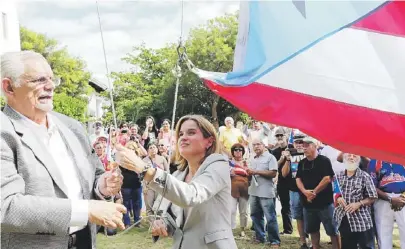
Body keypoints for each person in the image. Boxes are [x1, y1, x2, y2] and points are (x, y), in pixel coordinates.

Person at [1, 51, 126, 249]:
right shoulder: (4, 131)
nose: (50, 86)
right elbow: (6, 207)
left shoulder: (72, 126)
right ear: (9, 87)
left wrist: (102, 186)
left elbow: (96, 174)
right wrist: (86, 210)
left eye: (52, 79)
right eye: (39, 80)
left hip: (85, 241)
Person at [115, 114, 237, 249]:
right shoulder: (178, 175)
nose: (183, 137)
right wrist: (163, 224)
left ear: (209, 141)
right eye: (180, 134)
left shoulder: (219, 165)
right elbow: (177, 217)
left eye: (191, 132)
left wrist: (145, 170)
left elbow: (191, 196)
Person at [296, 136, 340, 249]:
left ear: (315, 146)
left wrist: (314, 192)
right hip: (308, 203)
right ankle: (315, 247)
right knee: (312, 230)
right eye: (303, 146)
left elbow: (327, 178)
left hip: (325, 203)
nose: (304, 148)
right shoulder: (302, 163)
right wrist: (305, 192)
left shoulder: (324, 160)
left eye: (307, 145)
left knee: (333, 231)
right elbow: (298, 179)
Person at [334, 153, 377, 249]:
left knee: (366, 246)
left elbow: (373, 197)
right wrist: (338, 198)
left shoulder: (365, 176)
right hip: (344, 218)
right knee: (347, 246)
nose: (351, 157)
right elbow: (335, 192)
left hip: (362, 220)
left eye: (354, 156)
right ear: (344, 158)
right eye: (348, 155)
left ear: (359, 159)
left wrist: (359, 204)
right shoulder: (338, 176)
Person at [248, 138, 281, 247]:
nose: (256, 147)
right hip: (253, 191)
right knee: (255, 215)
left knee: (270, 217)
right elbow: (250, 174)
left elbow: (273, 173)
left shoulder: (270, 157)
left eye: (258, 144)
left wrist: (256, 171)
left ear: (263, 145)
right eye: (254, 145)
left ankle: (274, 240)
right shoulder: (252, 159)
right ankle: (260, 237)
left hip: (266, 192)